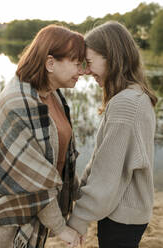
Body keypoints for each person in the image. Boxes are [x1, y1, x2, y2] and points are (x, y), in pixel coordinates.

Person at [68, 21, 157, 248]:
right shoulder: (137, 95)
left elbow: (106, 176)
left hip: (121, 216)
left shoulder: (125, 104)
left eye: (89, 63)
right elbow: (101, 158)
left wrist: (78, 218)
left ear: (111, 56)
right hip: (132, 213)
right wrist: (79, 192)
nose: (86, 71)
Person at [0, 24, 85, 248]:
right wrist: (60, 228)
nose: (82, 71)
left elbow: (62, 157)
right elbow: (33, 180)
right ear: (50, 63)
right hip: (12, 215)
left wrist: (80, 195)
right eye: (76, 63)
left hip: (43, 208)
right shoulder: (17, 103)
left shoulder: (52, 95)